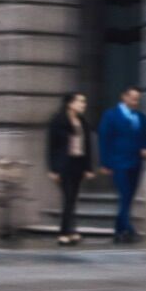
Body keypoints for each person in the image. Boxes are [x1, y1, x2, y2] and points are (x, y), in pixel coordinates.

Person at [97, 86, 146, 244]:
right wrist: (104, 163)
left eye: (138, 99)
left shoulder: (141, 117)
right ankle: (129, 229)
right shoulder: (111, 115)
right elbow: (104, 140)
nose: (136, 101)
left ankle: (119, 231)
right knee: (124, 195)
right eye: (133, 98)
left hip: (136, 163)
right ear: (124, 97)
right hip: (118, 162)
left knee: (128, 198)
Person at [44, 92, 95, 246]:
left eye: (84, 102)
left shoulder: (82, 121)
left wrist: (88, 167)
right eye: (80, 101)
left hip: (78, 164)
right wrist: (52, 169)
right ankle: (63, 233)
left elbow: (87, 146)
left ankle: (71, 231)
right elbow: (51, 147)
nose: (83, 104)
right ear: (70, 103)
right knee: (68, 198)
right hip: (63, 165)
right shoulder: (58, 120)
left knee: (72, 199)